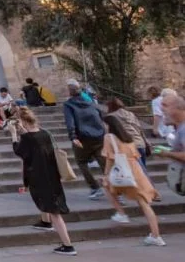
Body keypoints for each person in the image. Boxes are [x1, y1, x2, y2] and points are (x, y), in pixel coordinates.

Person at [9, 107, 76, 256]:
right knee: (46, 201)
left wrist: (14, 134)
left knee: (55, 212)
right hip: (52, 175)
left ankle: (68, 245)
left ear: (24, 121)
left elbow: (19, 151)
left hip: (40, 177)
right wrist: (21, 130)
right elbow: (35, 143)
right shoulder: (45, 133)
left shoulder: (27, 139)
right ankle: (45, 222)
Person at [102, 114, 164, 246]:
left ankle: (121, 213)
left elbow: (109, 158)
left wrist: (106, 175)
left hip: (122, 170)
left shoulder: (109, 137)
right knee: (144, 203)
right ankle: (156, 235)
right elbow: (135, 155)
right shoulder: (128, 137)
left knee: (107, 188)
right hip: (135, 171)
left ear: (109, 125)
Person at [62, 79, 106, 200]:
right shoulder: (90, 102)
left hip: (82, 137)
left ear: (69, 92)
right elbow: (99, 116)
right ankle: (117, 189)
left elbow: (69, 121)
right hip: (98, 135)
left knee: (81, 162)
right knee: (104, 162)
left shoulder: (68, 104)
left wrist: (73, 136)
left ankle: (95, 187)